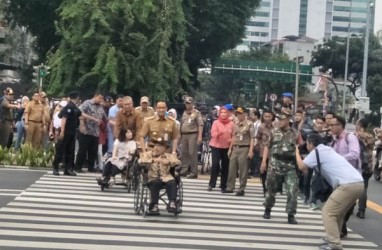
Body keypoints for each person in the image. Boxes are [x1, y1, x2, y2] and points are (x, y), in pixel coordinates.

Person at [296, 133, 364, 250]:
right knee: (338, 213)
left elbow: (302, 166)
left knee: (328, 212)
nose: (306, 145)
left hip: (347, 185)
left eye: (307, 143)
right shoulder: (327, 149)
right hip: (358, 183)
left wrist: (296, 152)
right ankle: (334, 237)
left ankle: (335, 244)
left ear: (311, 144)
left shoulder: (316, 152)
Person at [261, 111, 301, 224]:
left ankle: (291, 214)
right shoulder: (273, 132)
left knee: (292, 191)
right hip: (275, 164)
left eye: (282, 119)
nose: (279, 121)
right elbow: (267, 147)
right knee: (270, 190)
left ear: (288, 120)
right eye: (278, 119)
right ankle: (267, 209)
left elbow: (299, 148)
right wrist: (264, 161)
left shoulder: (296, 133)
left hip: (290, 166)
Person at [328, 115, 360, 237]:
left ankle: (341, 227)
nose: (330, 127)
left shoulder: (350, 137)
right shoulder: (334, 140)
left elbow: (355, 154)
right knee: (339, 204)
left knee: (349, 205)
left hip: (351, 177)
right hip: (338, 177)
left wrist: (339, 159)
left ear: (340, 126)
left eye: (332, 125)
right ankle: (341, 228)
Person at [138, 140, 180, 214]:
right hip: (153, 177)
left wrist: (169, 162)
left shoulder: (168, 156)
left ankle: (172, 203)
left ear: (164, 148)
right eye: (156, 146)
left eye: (160, 146)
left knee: (172, 182)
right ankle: (154, 205)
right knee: (156, 182)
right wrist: (153, 160)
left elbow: (178, 162)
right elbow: (140, 161)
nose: (157, 148)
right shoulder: (148, 154)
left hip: (166, 177)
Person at [225, 107, 255, 196]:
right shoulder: (236, 124)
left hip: (244, 148)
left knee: (243, 170)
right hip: (235, 147)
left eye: (240, 113)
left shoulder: (250, 124)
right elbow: (234, 137)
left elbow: (252, 138)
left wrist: (250, 151)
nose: (238, 115)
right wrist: (230, 149)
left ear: (245, 114)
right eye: (237, 113)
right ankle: (230, 187)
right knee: (232, 168)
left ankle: (241, 188)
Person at [74, 91, 106, 173]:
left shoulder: (100, 106)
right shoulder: (87, 103)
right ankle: (78, 166)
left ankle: (91, 167)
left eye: (102, 98)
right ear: (95, 96)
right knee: (83, 150)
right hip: (86, 130)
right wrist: (82, 125)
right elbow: (80, 113)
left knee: (93, 150)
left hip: (95, 131)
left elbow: (104, 117)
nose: (101, 100)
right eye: (100, 98)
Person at [207, 106, 234, 192]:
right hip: (216, 145)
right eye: (221, 113)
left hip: (226, 147)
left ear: (228, 114)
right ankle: (211, 184)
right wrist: (219, 133)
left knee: (225, 166)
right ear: (219, 114)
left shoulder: (231, 123)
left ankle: (223, 185)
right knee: (215, 164)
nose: (223, 114)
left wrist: (231, 141)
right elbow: (213, 134)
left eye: (225, 113)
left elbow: (234, 135)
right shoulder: (216, 122)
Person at [355, 118, 376, 219]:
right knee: (364, 188)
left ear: (359, 125)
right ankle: (361, 210)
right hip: (368, 165)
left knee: (352, 187)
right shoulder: (371, 136)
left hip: (356, 165)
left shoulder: (355, 136)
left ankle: (349, 207)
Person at [179, 96, 204, 179]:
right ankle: (184, 170)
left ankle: (193, 172)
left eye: (189, 103)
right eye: (186, 103)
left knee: (192, 153)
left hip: (193, 134)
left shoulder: (196, 113)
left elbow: (200, 125)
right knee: (184, 153)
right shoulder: (184, 113)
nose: (187, 105)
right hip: (184, 134)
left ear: (192, 103)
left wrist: (200, 136)